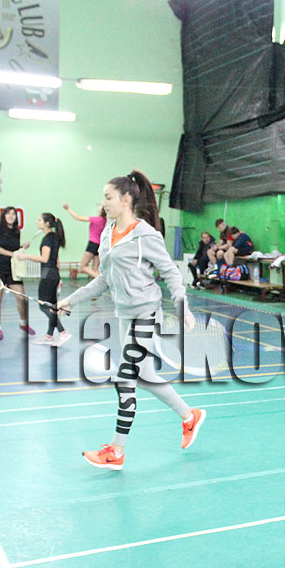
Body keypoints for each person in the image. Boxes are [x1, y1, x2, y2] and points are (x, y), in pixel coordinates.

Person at [58, 169, 207, 470]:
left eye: (108, 197)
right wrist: (70, 300)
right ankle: (189, 416)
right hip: (124, 314)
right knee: (146, 377)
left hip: (145, 313)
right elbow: (103, 279)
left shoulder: (146, 235)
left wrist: (183, 308)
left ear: (126, 199)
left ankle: (116, 451)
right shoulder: (107, 232)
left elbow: (171, 273)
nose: (103, 203)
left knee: (124, 377)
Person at [16, 213, 70, 346]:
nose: (37, 222)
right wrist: (59, 278)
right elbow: (56, 259)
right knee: (52, 307)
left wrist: (25, 257)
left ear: (47, 223)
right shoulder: (55, 237)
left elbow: (44, 259)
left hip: (48, 275)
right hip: (54, 274)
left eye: (39, 220)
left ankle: (62, 332)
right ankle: (49, 336)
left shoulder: (47, 239)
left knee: (43, 306)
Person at [0, 206, 35, 340]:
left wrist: (21, 247)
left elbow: (13, 249)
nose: (11, 216)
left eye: (13, 214)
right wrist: (11, 254)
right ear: (4, 216)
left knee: (21, 297)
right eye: (8, 214)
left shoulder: (16, 231)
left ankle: (23, 323)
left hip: (13, 268)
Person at [63, 203, 106, 278]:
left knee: (83, 266)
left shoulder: (95, 219)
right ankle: (98, 280)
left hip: (92, 244)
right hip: (99, 245)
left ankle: (100, 279)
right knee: (95, 269)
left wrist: (68, 209)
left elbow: (77, 217)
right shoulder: (105, 220)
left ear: (101, 211)